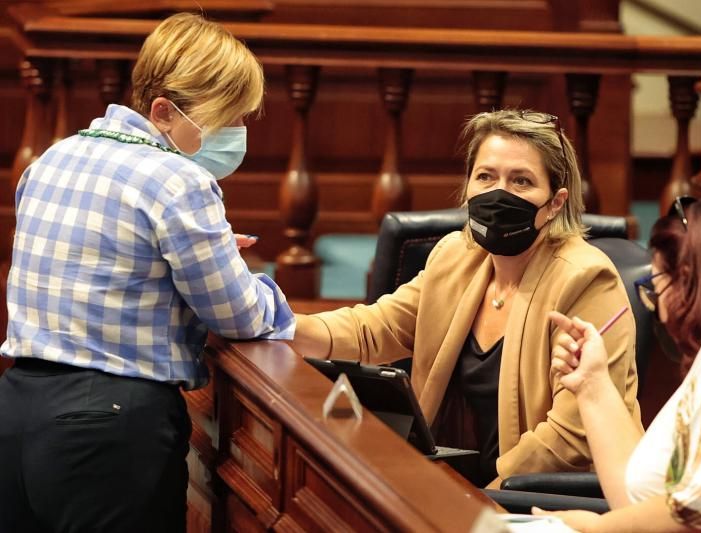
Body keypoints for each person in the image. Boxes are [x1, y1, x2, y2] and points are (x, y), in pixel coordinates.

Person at [0, 13, 295, 533]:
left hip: (19, 410)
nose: (237, 134)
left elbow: (106, 264)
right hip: (109, 428)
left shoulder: (51, 158)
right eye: (227, 120)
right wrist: (258, 286)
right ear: (163, 111)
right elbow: (239, 315)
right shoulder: (178, 179)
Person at [290, 109, 641, 487]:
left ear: (555, 203)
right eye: (486, 177)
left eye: (521, 181)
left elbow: (570, 437)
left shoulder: (585, 280)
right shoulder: (456, 256)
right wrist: (281, 327)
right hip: (452, 486)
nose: (498, 193)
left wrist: (479, 501)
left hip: (534, 499)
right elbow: (372, 330)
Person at [544, 196, 701, 532]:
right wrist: (592, 384)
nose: (658, 306)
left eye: (656, 285)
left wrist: (597, 529)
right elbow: (642, 498)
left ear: (687, 279)